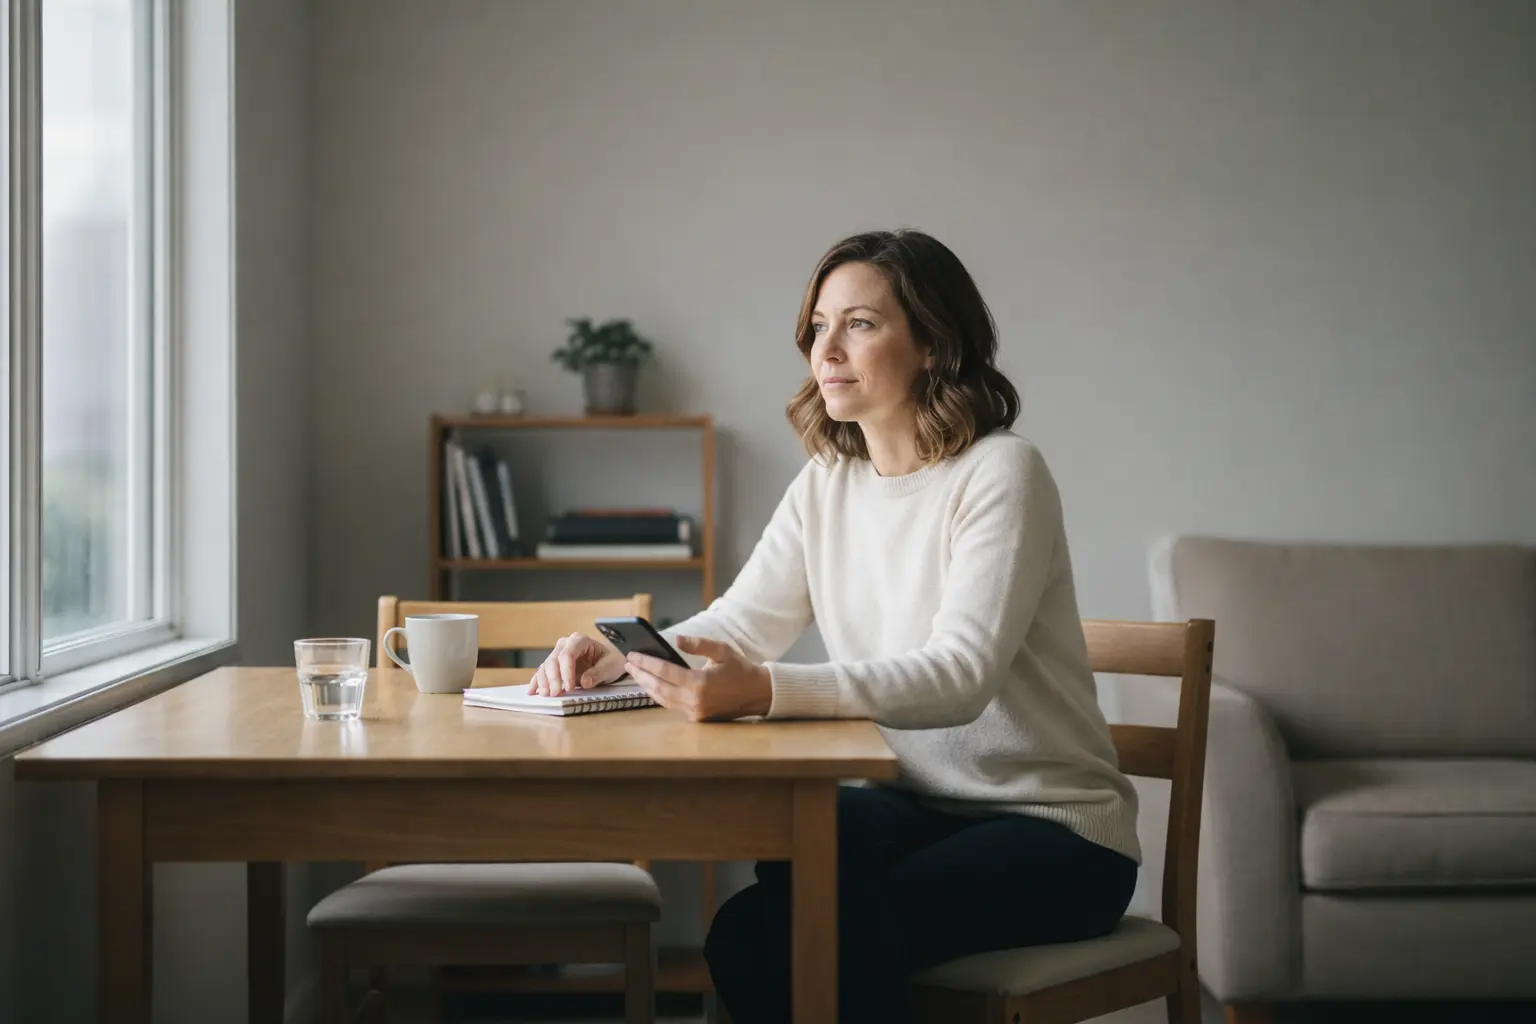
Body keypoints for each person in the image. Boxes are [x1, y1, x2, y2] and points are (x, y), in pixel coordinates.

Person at [527, 229, 1140, 1023]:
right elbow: (741, 625)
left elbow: (961, 676)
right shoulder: (830, 481)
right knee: (771, 897)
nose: (828, 350)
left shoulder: (1001, 472)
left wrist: (765, 693)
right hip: (919, 808)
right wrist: (617, 653)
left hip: (1056, 830)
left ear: (931, 344)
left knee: (801, 931)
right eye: (819, 325)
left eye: (861, 323)